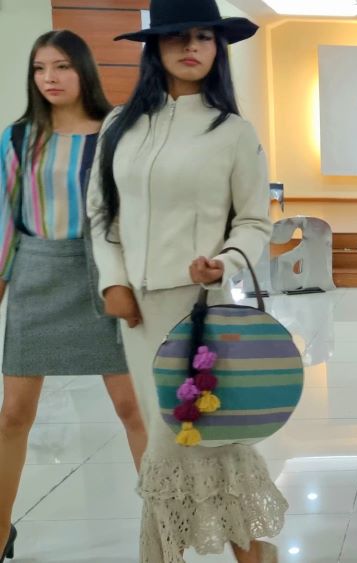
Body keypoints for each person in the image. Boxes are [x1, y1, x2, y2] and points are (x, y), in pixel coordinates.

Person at [87, 1, 284, 561]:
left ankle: (240, 554)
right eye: (178, 36)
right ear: (156, 46)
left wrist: (225, 261)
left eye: (203, 36)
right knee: (166, 438)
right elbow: (102, 213)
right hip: (135, 314)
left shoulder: (233, 132)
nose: (191, 47)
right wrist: (113, 282)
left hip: (200, 309)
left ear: (218, 48)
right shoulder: (120, 126)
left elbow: (254, 221)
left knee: (203, 435)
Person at [0, 30, 148, 559]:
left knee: (133, 408)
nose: (50, 78)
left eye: (61, 66)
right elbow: (5, 219)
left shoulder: (117, 132)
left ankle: (164, 530)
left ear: (84, 69)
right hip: (36, 277)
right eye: (40, 68)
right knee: (14, 415)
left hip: (104, 274)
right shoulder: (18, 138)